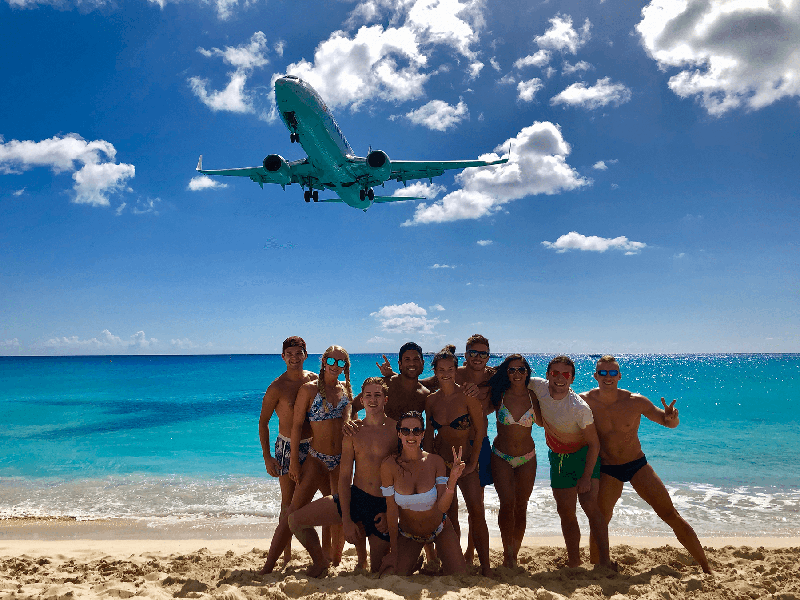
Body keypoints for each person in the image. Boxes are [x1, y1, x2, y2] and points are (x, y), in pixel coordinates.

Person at [581, 355, 712, 573]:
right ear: (595, 376)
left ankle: (706, 567)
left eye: (612, 372)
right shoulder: (584, 401)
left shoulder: (636, 401)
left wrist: (673, 418)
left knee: (670, 514)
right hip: (607, 468)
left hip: (636, 464)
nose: (607, 377)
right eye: (602, 373)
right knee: (600, 521)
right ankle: (599, 569)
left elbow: (668, 422)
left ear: (619, 376)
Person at [286, 377, 397, 576]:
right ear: (361, 400)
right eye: (367, 395)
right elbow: (345, 478)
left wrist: (391, 513)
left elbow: (404, 476)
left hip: (382, 504)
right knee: (295, 520)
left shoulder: (396, 430)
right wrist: (346, 519)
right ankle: (320, 562)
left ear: (386, 399)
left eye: (377, 395)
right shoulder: (353, 430)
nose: (372, 400)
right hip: (357, 497)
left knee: (378, 569)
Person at [259, 345, 354, 574]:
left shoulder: (344, 388)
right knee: (290, 508)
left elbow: (355, 414)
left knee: (335, 512)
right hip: (307, 454)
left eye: (341, 363)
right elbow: (293, 424)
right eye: (332, 361)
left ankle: (331, 559)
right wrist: (286, 460)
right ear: (323, 360)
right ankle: (274, 562)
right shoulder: (293, 388)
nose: (336, 366)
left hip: (337, 459)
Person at [528, 355, 614, 569]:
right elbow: (513, 376)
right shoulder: (538, 386)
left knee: (590, 507)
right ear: (547, 375)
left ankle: (604, 562)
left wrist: (586, 476)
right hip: (558, 458)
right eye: (555, 373)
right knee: (566, 513)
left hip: (584, 456)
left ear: (572, 379)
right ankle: (574, 562)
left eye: (565, 374)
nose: (559, 378)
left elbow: (594, 444)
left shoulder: (579, 408)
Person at [424, 348, 491, 576]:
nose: (446, 373)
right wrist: (427, 465)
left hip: (466, 463)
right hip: (442, 465)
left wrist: (473, 462)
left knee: (476, 512)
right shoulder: (431, 400)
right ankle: (453, 565)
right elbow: (428, 435)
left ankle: (486, 566)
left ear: (456, 370)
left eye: (450, 369)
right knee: (449, 517)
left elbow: (481, 429)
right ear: (434, 372)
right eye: (441, 370)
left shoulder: (467, 396)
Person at [379, 411, 466, 576]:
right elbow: (391, 510)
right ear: (399, 434)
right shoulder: (389, 465)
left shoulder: (435, 462)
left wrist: (452, 480)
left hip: (439, 529)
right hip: (409, 534)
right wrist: (394, 551)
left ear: (423, 434)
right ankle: (414, 561)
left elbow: (442, 507)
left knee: (460, 576)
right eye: (405, 431)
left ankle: (433, 558)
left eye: (416, 431)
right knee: (393, 574)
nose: (411, 435)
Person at [258, 336, 317, 564]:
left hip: (314, 445)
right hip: (286, 446)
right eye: (289, 354)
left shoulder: (314, 380)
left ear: (305, 354)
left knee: (311, 500)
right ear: (283, 357)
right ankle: (287, 554)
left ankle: (327, 553)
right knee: (288, 502)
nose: (294, 358)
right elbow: (263, 422)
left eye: (298, 353)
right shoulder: (277, 387)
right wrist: (267, 457)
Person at [485, 354, 540, 568]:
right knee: (507, 505)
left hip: (527, 458)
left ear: (527, 372)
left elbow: (546, 422)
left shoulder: (533, 397)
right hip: (501, 456)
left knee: (522, 506)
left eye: (521, 370)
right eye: (511, 370)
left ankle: (515, 553)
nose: (517, 374)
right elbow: (479, 408)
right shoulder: (499, 395)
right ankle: (507, 552)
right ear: (506, 373)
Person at [354, 342, 430, 420]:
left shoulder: (425, 395)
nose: (412, 363)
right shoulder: (384, 386)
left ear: (422, 363)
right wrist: (350, 425)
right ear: (400, 364)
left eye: (416, 359)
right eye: (407, 359)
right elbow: (352, 406)